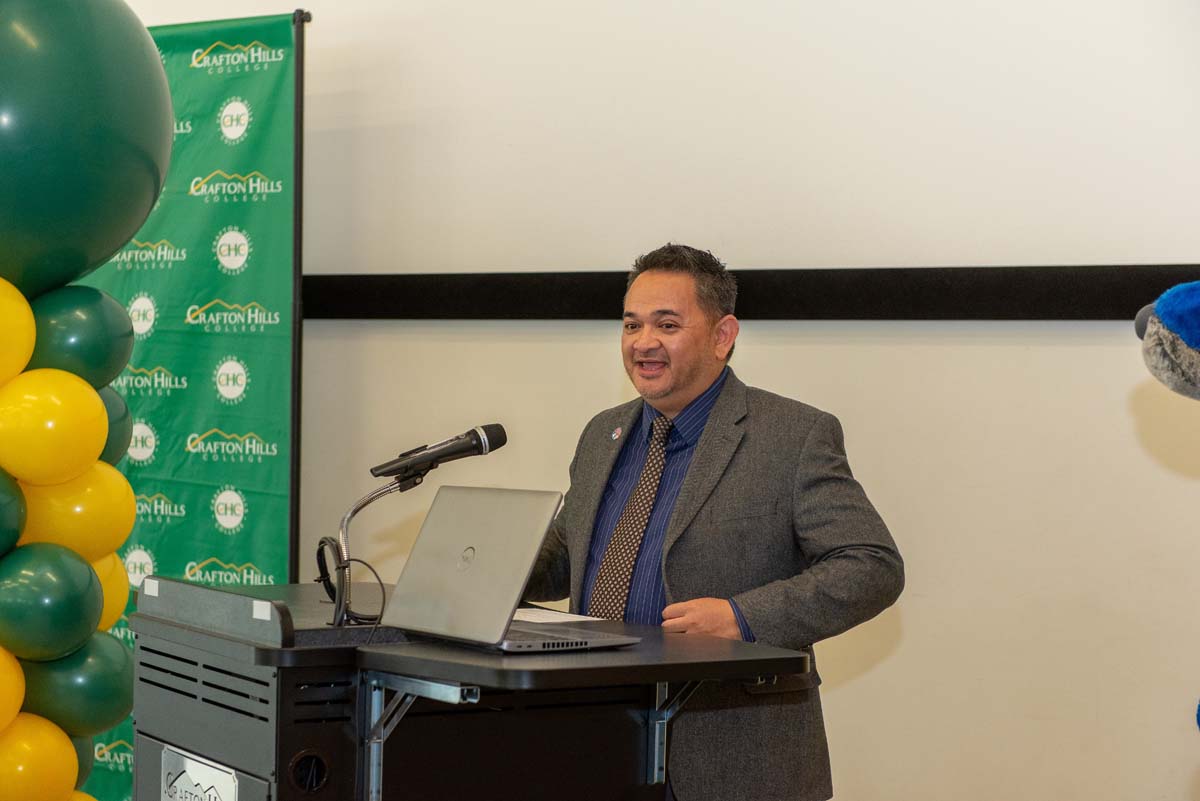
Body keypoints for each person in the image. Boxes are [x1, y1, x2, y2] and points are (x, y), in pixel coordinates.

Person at [524, 243, 904, 801]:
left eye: (667, 324)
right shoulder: (603, 433)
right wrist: (477, 566)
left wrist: (742, 617)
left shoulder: (792, 435)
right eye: (631, 325)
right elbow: (572, 556)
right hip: (597, 742)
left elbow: (871, 566)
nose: (642, 343)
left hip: (732, 757)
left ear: (723, 336)